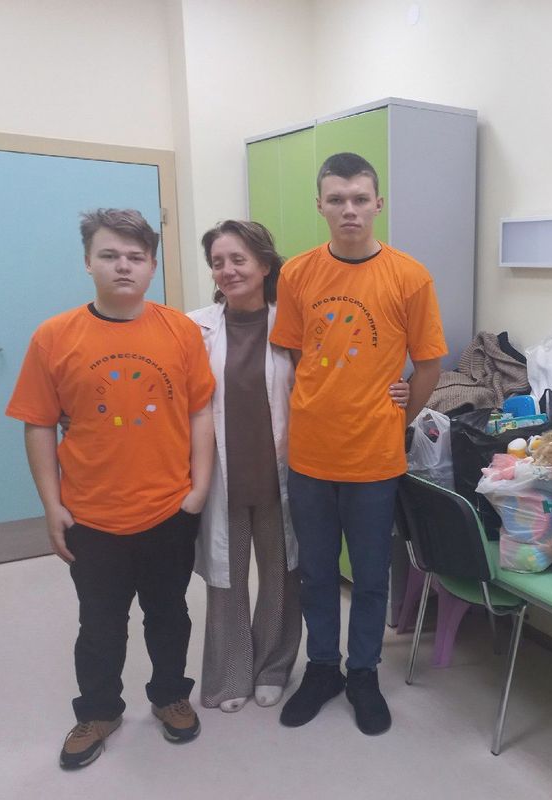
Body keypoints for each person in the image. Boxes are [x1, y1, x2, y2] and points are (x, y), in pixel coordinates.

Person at [5, 209, 215, 769]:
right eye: (110, 255)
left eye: (135, 257)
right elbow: (37, 424)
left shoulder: (181, 331)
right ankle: (98, 711)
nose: (123, 266)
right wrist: (52, 506)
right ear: (87, 262)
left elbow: (200, 411)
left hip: (169, 509)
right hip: (91, 515)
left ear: (152, 266)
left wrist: (198, 489)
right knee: (99, 624)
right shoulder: (54, 337)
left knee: (169, 614)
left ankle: (170, 696)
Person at [188, 220, 410, 713]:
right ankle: (230, 675)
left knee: (282, 577)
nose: (228, 270)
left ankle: (273, 667)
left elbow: (335, 374)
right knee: (226, 580)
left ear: (265, 265)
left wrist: (398, 390)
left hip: (284, 470)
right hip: (224, 474)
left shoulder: (291, 321)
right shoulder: (194, 327)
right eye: (218, 262)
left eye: (239, 259)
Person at [271, 152, 446, 736]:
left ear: (378, 204)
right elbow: (296, 353)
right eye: (337, 199)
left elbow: (429, 362)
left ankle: (363, 674)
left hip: (374, 458)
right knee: (317, 572)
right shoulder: (298, 274)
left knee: (370, 576)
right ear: (320, 205)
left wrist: (400, 413)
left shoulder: (409, 277)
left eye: (360, 198)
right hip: (310, 456)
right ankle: (323, 668)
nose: (349, 209)